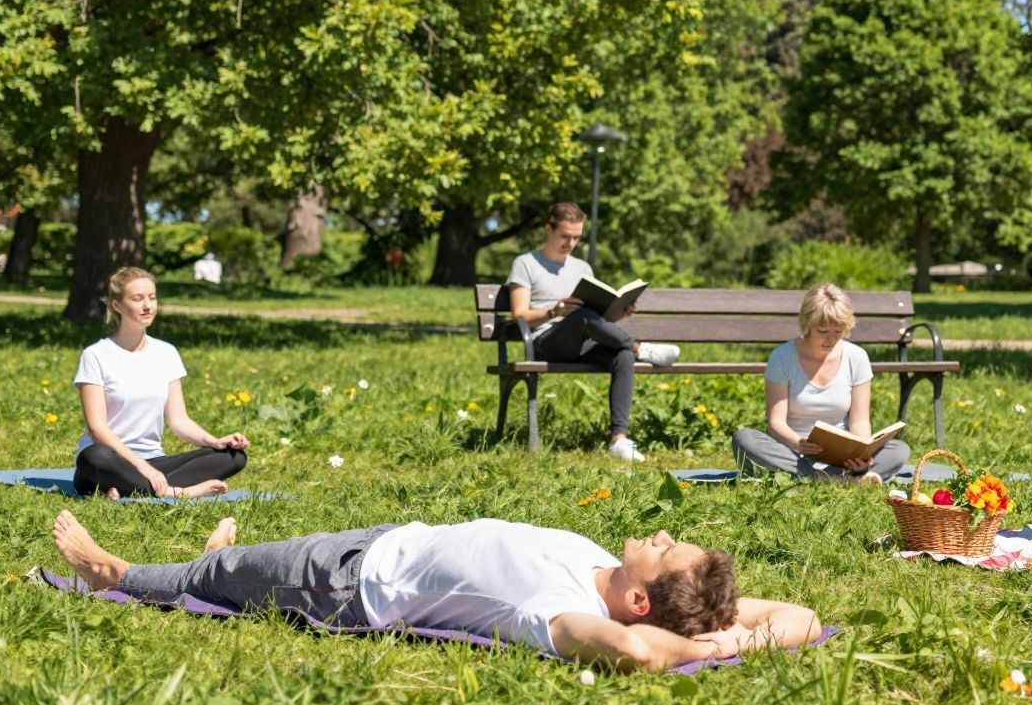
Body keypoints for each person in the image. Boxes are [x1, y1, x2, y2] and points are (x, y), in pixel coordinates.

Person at [50, 511, 821, 672]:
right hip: (387, 541)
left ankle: (109, 572)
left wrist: (690, 646)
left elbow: (634, 653)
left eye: (664, 550)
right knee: (232, 567)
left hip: (344, 582)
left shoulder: (560, 616)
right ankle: (221, 562)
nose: (657, 535)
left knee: (213, 579)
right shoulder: (604, 576)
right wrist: (733, 636)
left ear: (644, 602)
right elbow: (803, 615)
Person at [507, 202, 679, 462]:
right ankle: (641, 348)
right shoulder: (525, 264)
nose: (571, 243)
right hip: (545, 342)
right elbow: (519, 315)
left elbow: (597, 318)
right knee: (582, 316)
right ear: (548, 229)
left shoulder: (581, 268)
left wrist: (620, 311)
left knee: (621, 354)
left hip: (583, 339)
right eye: (565, 236)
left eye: (577, 237)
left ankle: (619, 439)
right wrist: (555, 311)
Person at [72, 267, 249, 499]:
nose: (147, 305)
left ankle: (125, 488)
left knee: (234, 456)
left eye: (152, 298)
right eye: (137, 299)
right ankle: (178, 492)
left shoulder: (167, 353)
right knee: (93, 456)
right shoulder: (95, 355)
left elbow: (179, 421)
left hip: (155, 461)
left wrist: (215, 441)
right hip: (110, 460)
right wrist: (142, 467)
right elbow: (97, 430)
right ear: (117, 306)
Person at [731, 282, 909, 483]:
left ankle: (833, 476)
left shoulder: (856, 357)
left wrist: (861, 455)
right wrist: (798, 442)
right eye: (823, 331)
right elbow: (775, 423)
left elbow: (859, 421)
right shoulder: (782, 357)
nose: (831, 339)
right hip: (794, 453)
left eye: (838, 331)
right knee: (744, 439)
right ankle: (842, 480)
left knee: (899, 450)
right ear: (807, 325)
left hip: (842, 458)